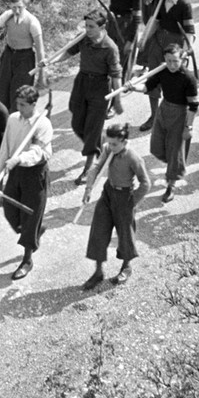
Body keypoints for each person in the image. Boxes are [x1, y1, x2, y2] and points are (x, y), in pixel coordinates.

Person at [81, 119, 150, 287]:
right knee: (99, 229)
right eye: (108, 143)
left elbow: (146, 183)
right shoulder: (107, 149)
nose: (110, 147)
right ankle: (98, 272)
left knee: (125, 233)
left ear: (124, 141)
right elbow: (97, 167)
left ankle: (126, 267)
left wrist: (132, 202)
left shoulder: (133, 157)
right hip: (108, 192)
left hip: (124, 195)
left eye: (114, 144)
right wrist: (88, 188)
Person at [0, 86, 52, 278]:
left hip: (35, 173)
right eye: (17, 103)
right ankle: (34, 231)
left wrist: (19, 159)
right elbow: (6, 145)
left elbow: (37, 152)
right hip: (15, 170)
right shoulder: (13, 119)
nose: (18, 107)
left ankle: (27, 259)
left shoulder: (43, 124)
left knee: (30, 215)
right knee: (10, 210)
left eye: (22, 104)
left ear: (33, 104)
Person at [64, 5, 123, 178]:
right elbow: (67, 52)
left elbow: (116, 76)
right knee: (76, 123)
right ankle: (98, 141)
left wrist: (117, 99)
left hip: (100, 88)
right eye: (86, 26)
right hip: (82, 82)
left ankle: (88, 168)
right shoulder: (83, 38)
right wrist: (50, 62)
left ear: (102, 28)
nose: (87, 30)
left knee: (92, 129)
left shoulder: (110, 48)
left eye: (91, 27)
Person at [145, 43, 199, 200]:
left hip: (180, 114)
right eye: (168, 61)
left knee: (175, 152)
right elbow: (147, 87)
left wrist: (189, 126)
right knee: (156, 146)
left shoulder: (188, 78)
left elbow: (194, 106)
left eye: (175, 61)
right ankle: (173, 167)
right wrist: (130, 86)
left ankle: (171, 185)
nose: (172, 65)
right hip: (164, 109)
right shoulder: (162, 71)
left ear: (182, 59)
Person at [0, 0, 46, 112]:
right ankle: (5, 126)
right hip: (8, 55)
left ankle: (17, 124)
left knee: (19, 96)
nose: (16, 11)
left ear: (25, 5)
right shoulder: (8, 16)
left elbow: (40, 50)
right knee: (2, 92)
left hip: (24, 60)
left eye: (20, 7)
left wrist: (41, 76)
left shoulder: (32, 22)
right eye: (14, 7)